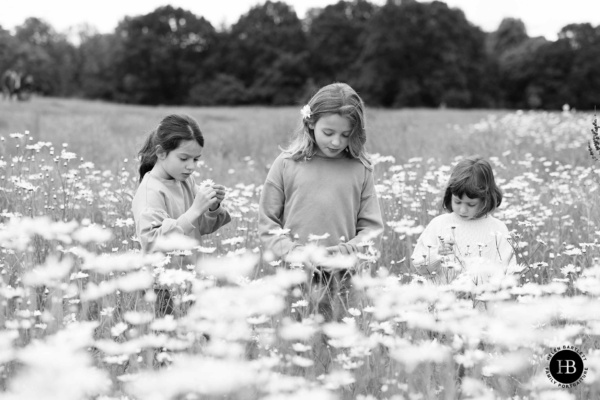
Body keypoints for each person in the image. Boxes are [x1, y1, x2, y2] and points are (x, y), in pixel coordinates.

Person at [258, 82, 384, 324]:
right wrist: (295, 253)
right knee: (297, 342)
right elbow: (268, 224)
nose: (336, 142)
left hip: (344, 277)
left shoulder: (361, 169)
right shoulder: (286, 164)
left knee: (338, 345)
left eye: (345, 135)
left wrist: (347, 252)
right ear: (311, 122)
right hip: (295, 276)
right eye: (329, 133)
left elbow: (371, 230)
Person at [132, 114, 231, 315]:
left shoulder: (185, 181)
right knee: (170, 343)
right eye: (184, 158)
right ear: (161, 152)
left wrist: (212, 207)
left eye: (196, 159)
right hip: (161, 287)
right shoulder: (150, 191)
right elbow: (152, 242)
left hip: (190, 279)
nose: (191, 166)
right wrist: (195, 210)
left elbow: (201, 227)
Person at [411, 156, 516, 286]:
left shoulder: (498, 229)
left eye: (471, 204)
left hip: (481, 301)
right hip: (442, 300)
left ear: (486, 199)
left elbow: (508, 272)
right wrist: (436, 254)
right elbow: (420, 268)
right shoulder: (439, 224)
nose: (462, 210)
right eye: (457, 201)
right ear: (449, 195)